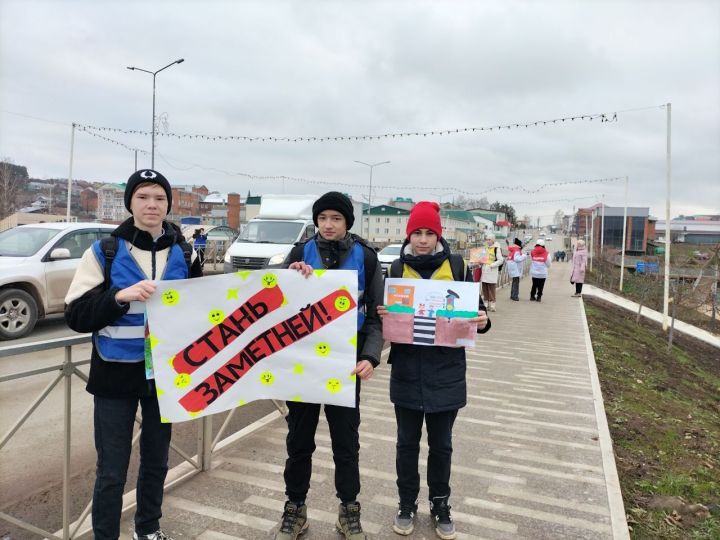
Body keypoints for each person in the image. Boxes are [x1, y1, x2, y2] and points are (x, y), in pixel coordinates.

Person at [64, 169, 203, 540]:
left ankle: (148, 530)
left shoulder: (185, 252)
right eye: (143, 197)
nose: (152, 205)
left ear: (168, 203)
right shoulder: (104, 252)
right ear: (130, 203)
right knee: (111, 468)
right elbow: (76, 314)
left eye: (159, 197)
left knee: (156, 462)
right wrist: (118, 297)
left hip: (166, 376)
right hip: (114, 374)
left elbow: (205, 310)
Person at [378, 201, 491, 540]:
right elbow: (379, 314)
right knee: (406, 443)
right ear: (408, 234)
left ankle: (440, 502)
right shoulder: (397, 269)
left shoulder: (457, 266)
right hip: (408, 371)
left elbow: (478, 314)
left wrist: (483, 321)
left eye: (429, 233)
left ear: (438, 234)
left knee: (442, 444)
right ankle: (406, 502)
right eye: (417, 232)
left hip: (447, 371)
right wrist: (384, 313)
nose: (423, 239)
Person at [276, 191, 384, 540]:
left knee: (346, 443)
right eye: (323, 218)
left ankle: (349, 509)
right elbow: (272, 300)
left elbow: (377, 317)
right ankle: (295, 508)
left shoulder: (366, 258)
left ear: (347, 222)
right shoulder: (299, 251)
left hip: (345, 364)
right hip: (304, 365)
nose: (328, 225)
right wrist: (289, 277)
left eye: (336, 218)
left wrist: (369, 356)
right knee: (298, 442)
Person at [479, 232, 504, 312]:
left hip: (492, 270)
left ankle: (492, 305)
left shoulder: (497, 248)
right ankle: (486, 304)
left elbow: (501, 260)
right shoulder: (485, 248)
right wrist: (480, 262)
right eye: (487, 239)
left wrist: (492, 265)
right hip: (485, 270)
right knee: (484, 287)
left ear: (493, 240)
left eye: (489, 240)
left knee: (492, 288)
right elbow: (482, 258)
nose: (488, 241)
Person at [529, 238, 551, 302]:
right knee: (541, 285)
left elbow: (532, 260)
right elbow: (548, 263)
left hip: (534, 272)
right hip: (542, 273)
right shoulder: (547, 253)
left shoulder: (532, 252)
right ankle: (539, 297)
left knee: (534, 284)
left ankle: (532, 296)